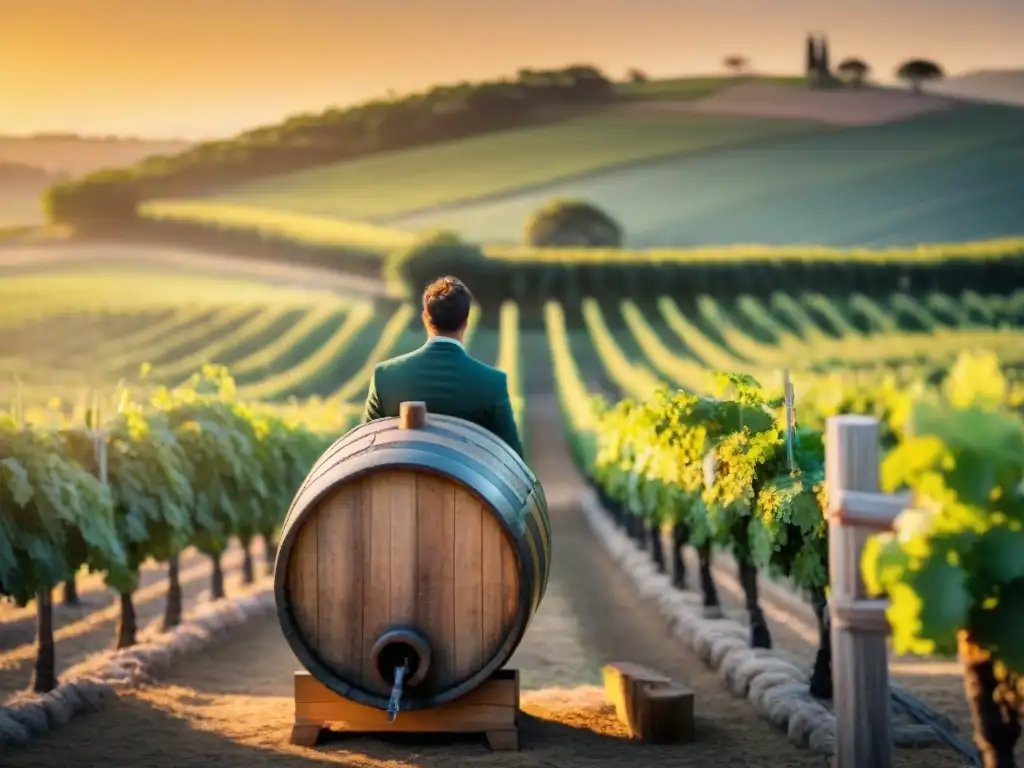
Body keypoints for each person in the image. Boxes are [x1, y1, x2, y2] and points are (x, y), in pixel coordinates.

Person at [361, 276, 524, 458]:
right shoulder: (492, 382)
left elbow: (367, 446)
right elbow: (513, 458)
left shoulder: (385, 376)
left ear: (425, 318)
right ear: (466, 321)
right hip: (466, 485)